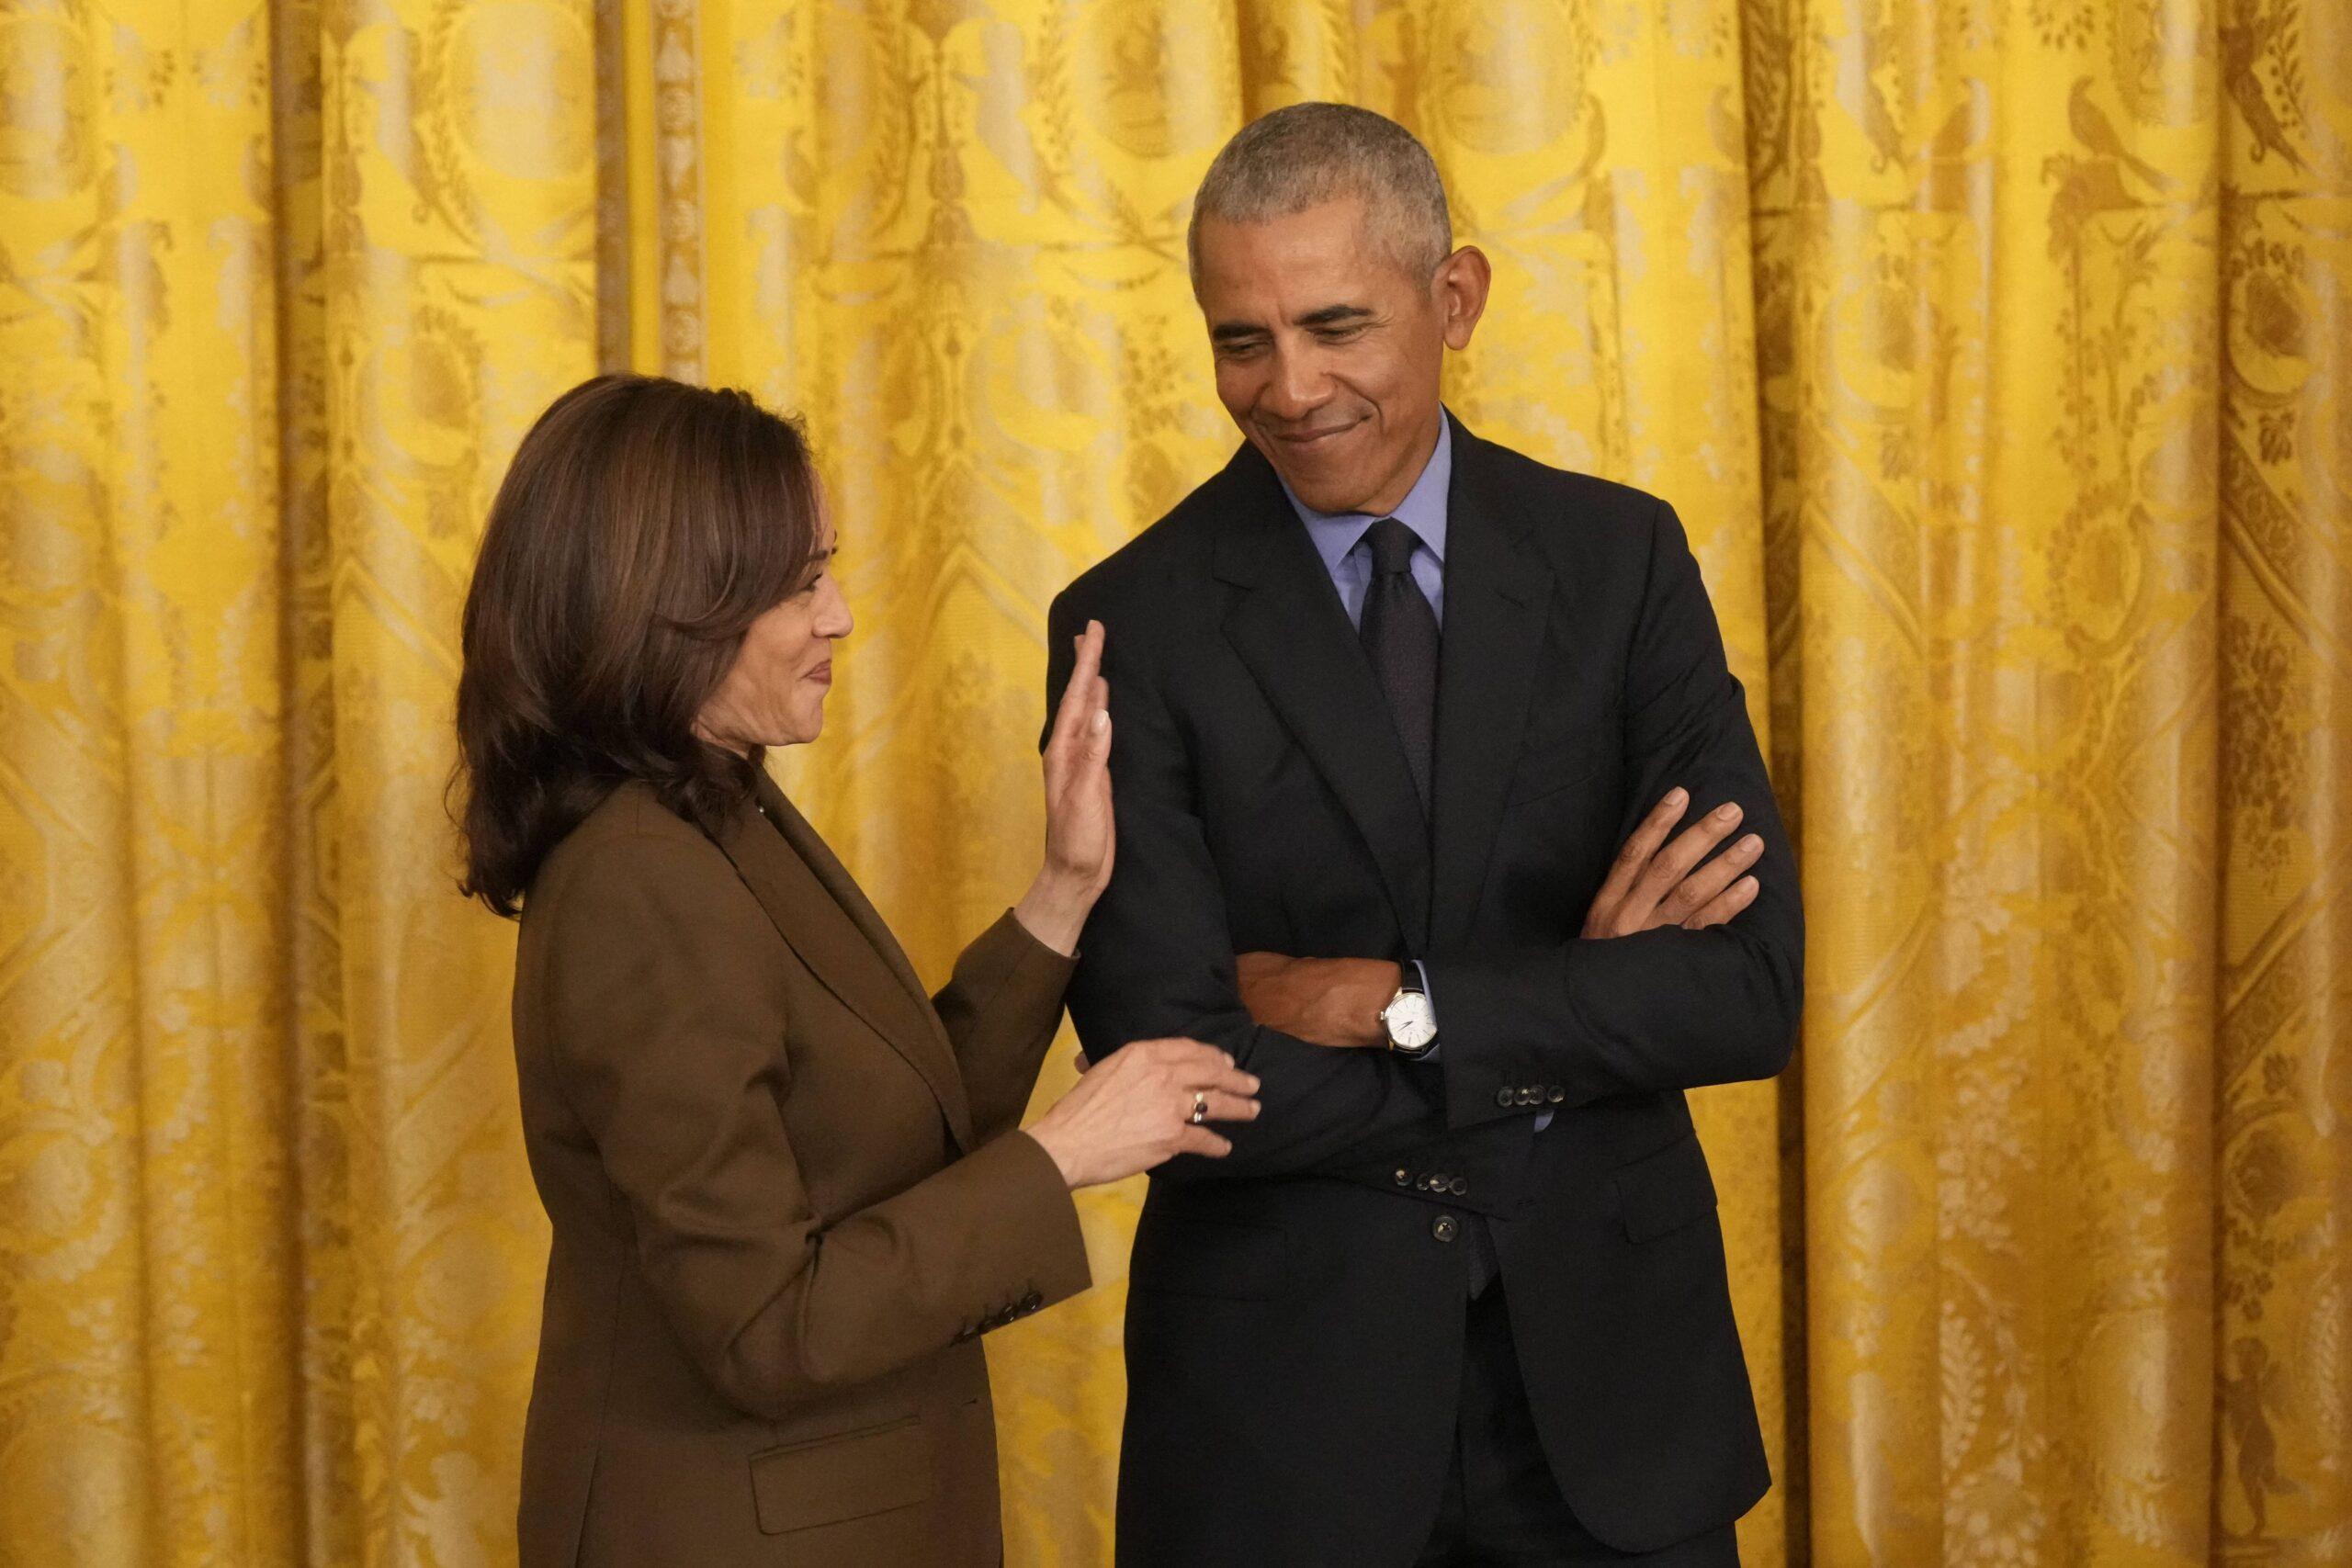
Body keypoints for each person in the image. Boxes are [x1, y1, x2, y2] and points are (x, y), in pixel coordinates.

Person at [1045, 105, 1803, 1566]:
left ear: (1455, 298)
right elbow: (1171, 1073)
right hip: (1281, 1431)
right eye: (1240, 340)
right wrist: (1558, 1026)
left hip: (1613, 1411)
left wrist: (1391, 1005)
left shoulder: (1621, 561)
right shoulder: (1129, 622)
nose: (1290, 388)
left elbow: (1745, 988)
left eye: (1337, 326)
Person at [452, 374, 1259, 1567]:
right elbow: (765, 1329)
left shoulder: (716, 815)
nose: (839, 616)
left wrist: (1064, 890)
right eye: (797, 583)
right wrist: (1066, 1154)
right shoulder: (640, 883)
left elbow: (880, 1142)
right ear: (665, 604)